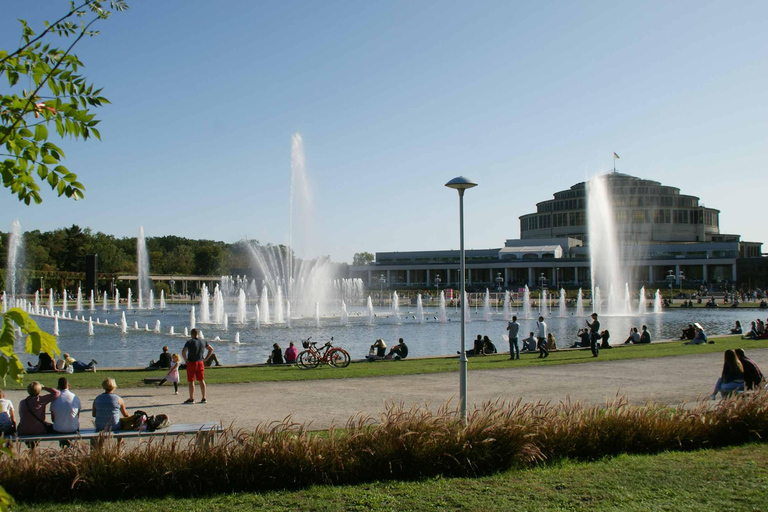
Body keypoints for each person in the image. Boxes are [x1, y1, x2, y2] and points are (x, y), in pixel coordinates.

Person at [182, 328, 213, 404]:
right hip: (200, 362)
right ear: (198, 334)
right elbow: (211, 349)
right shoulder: (203, 341)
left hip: (192, 362)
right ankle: (204, 397)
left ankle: (191, 398)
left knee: (191, 381)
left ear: (191, 334)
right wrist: (206, 359)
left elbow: (184, 351)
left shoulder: (189, 342)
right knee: (201, 380)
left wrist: (186, 360)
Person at [50, 377, 81, 446]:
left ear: (58, 387)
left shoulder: (54, 399)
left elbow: (53, 419)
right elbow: (77, 416)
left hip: (58, 429)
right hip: (73, 429)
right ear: (68, 386)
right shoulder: (75, 397)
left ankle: (64, 445)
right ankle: (67, 445)